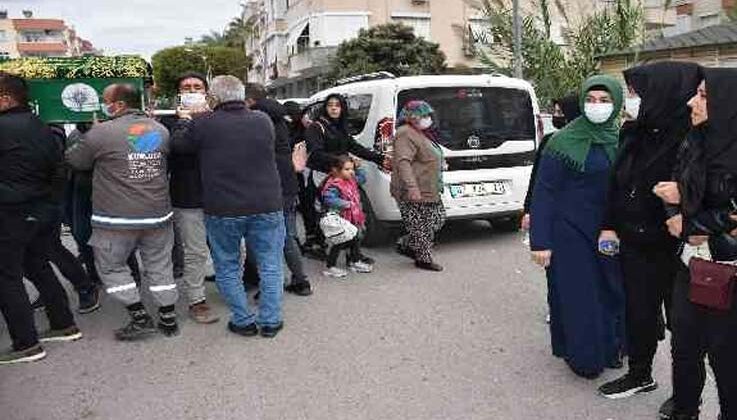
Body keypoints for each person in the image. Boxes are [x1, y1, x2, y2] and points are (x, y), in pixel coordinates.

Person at [597, 62, 703, 401]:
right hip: (634, 241)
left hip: (673, 247)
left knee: (684, 327)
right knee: (639, 314)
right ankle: (640, 374)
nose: (631, 99)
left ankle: (686, 394)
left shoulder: (694, 138)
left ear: (663, 93)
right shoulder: (636, 132)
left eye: (636, 92)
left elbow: (706, 195)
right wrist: (609, 224)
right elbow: (617, 184)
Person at [172, 75, 286, 338]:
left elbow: (179, 145)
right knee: (271, 264)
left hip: (224, 209)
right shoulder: (262, 120)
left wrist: (185, 119)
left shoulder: (203, 124)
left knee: (227, 266)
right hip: (267, 204)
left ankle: (243, 320)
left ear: (213, 97)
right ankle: (270, 320)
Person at [653, 68, 737, 420]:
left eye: (702, 95)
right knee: (684, 347)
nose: (692, 101)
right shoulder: (695, 139)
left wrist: (692, 222)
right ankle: (685, 408)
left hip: (727, 275)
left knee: (727, 358)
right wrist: (676, 210)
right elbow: (674, 182)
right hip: (689, 265)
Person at [529, 75, 626, 379]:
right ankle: (584, 356)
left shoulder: (623, 138)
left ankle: (611, 349)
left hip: (610, 231)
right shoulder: (561, 141)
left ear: (617, 103)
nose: (597, 106)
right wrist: (540, 242)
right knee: (579, 294)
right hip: (570, 231)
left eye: (604, 100)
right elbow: (544, 192)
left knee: (612, 292)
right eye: (591, 100)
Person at [66, 83, 180, 341]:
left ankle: (139, 316)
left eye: (105, 100)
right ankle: (168, 318)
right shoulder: (160, 129)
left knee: (111, 267)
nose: (102, 105)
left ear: (117, 105)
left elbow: (75, 160)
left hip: (115, 220)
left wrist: (87, 134)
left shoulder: (101, 133)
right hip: (157, 215)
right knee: (160, 266)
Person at [0, 72, 82, 365]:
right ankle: (63, 324)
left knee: (7, 278)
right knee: (37, 266)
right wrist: (49, 203)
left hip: (10, 213)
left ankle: (26, 343)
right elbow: (59, 168)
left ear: (6, 98)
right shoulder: (41, 126)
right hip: (41, 210)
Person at [160, 72, 220, 324]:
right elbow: (170, 149)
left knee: (233, 248)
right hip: (187, 198)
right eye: (187, 87)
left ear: (206, 93)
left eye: (197, 87)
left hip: (221, 196)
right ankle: (197, 299)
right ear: (179, 94)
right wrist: (184, 121)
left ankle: (232, 287)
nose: (192, 90)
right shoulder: (167, 124)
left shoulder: (219, 120)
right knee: (195, 252)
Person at [305, 93, 389, 264]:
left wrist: (379, 159)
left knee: (350, 214)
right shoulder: (316, 127)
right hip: (325, 177)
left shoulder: (342, 127)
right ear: (325, 108)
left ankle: (353, 253)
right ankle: (319, 246)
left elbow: (354, 147)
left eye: (338, 105)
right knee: (332, 215)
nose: (334, 108)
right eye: (330, 105)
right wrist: (343, 161)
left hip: (344, 175)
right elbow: (316, 152)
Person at [245, 84, 312, 297]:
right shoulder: (280, 117)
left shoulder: (256, 119)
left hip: (267, 184)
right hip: (287, 182)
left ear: (248, 100)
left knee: (264, 238)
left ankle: (267, 285)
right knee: (287, 235)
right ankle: (301, 281)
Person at [67, 123, 142, 288]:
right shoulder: (76, 135)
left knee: (117, 234)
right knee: (83, 235)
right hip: (83, 189)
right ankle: (94, 275)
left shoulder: (114, 133)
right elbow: (74, 161)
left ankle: (132, 273)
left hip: (109, 189)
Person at [391, 100, 446, 272]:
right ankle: (423, 259)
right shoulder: (404, 133)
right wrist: (412, 188)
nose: (427, 118)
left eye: (428, 115)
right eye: (422, 115)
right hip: (413, 189)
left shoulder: (422, 133)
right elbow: (403, 162)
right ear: (411, 117)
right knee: (421, 226)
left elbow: (427, 155)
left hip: (429, 187)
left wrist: (440, 163)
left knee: (437, 219)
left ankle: (407, 243)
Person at [521, 95, 580, 230]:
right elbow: (537, 178)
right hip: (553, 210)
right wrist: (528, 210)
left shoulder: (589, 142)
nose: (555, 116)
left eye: (559, 113)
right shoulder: (550, 141)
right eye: (554, 112)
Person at [321, 155, 373, 278]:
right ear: (336, 170)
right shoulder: (334, 184)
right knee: (339, 242)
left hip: (353, 218)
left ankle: (354, 261)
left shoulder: (351, 180)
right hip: (341, 219)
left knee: (355, 240)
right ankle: (330, 266)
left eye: (352, 169)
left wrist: (359, 168)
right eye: (347, 169)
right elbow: (328, 199)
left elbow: (362, 178)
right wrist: (347, 204)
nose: (351, 172)